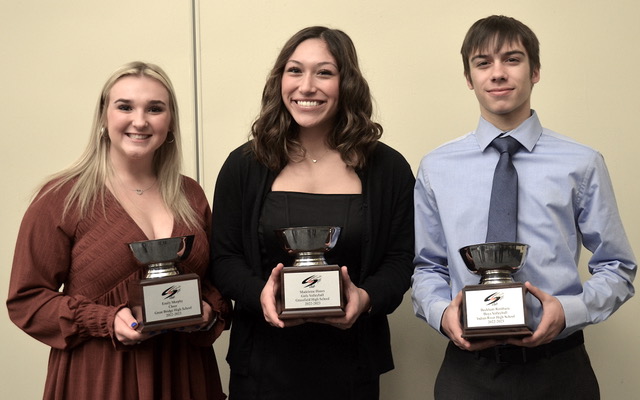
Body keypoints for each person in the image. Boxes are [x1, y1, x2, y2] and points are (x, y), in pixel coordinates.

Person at [412, 15, 637, 399]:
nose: (497, 73)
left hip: (560, 371)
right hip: (467, 375)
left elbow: (617, 266)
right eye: (483, 63)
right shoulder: (436, 168)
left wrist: (570, 311)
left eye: (512, 59)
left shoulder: (581, 163)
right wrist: (442, 313)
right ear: (469, 77)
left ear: (535, 71)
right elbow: (427, 267)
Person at [210, 26, 415, 400]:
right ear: (280, 80)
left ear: (347, 83)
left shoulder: (388, 168)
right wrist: (261, 297)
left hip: (352, 365)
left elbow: (400, 261)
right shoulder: (244, 165)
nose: (306, 86)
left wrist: (365, 299)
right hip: (262, 365)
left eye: (324, 72)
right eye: (294, 70)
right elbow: (224, 258)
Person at [7, 61, 231, 400]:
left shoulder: (191, 195)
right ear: (103, 117)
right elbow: (26, 301)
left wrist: (208, 312)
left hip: (184, 373)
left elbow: (217, 284)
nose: (139, 121)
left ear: (170, 123)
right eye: (125, 106)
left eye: (155, 109)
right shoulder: (63, 197)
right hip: (100, 378)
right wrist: (106, 320)